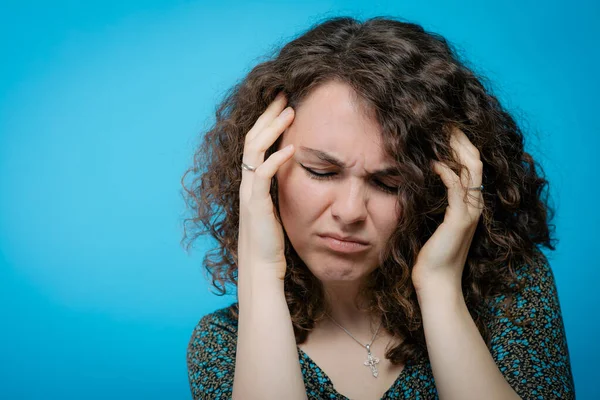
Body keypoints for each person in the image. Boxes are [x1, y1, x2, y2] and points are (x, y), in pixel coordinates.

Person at [182, 16, 575, 400]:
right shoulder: (224, 345)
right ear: (265, 168)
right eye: (321, 172)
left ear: (440, 185)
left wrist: (439, 289)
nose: (350, 212)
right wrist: (261, 272)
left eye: (389, 183)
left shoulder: (511, 292)